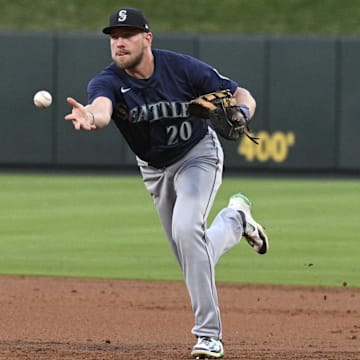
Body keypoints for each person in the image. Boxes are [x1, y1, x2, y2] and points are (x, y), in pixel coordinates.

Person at [64, 7, 269, 359]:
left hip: (197, 156)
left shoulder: (182, 68)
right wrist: (91, 117)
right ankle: (236, 220)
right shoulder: (108, 82)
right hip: (155, 169)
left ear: (147, 38)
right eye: (114, 37)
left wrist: (242, 113)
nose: (119, 42)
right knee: (191, 257)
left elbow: (243, 94)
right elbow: (101, 108)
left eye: (127, 34)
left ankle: (209, 336)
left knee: (188, 232)